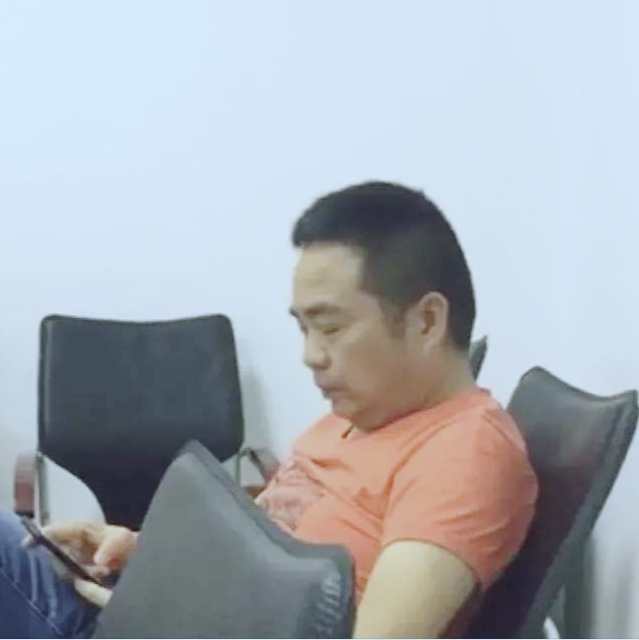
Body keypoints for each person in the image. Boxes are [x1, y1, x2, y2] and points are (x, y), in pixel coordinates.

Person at [0, 181, 537, 638]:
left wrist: (161, 615)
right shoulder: (363, 413)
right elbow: (258, 549)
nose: (310, 356)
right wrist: (144, 556)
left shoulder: (464, 454)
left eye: (330, 328)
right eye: (303, 329)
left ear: (427, 321)